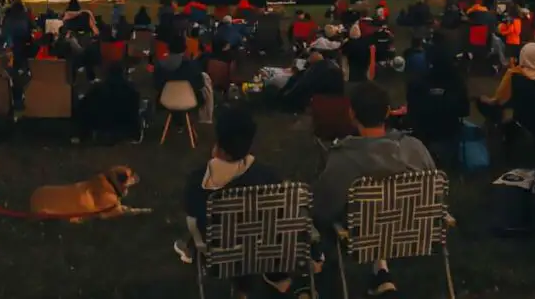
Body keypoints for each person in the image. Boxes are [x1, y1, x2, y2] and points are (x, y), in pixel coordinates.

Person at [174, 106, 316, 297]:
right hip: (265, 251)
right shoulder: (269, 177)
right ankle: (276, 279)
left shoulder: (198, 182)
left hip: (222, 258)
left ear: (219, 142)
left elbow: (194, 216)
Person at [312, 83, 436, 297]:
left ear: (352, 113)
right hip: (413, 229)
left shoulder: (343, 159)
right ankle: (380, 269)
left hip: (363, 234)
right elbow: (436, 192)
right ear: (388, 112)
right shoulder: (415, 148)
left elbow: (323, 208)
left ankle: (320, 262)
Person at [406, 51, 469, 162]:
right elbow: (465, 111)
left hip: (423, 135)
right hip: (448, 133)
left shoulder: (416, 82)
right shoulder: (457, 82)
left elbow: (411, 110)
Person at [74, 63, 142, 144]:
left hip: (102, 123)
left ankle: (82, 135)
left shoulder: (98, 89)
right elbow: (135, 108)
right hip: (124, 123)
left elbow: (84, 105)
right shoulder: (131, 90)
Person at [155, 36, 213, 124]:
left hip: (165, 100)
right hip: (190, 100)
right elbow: (200, 85)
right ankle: (205, 118)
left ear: (168, 48)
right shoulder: (192, 66)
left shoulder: (160, 65)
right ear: (185, 49)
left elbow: (156, 85)